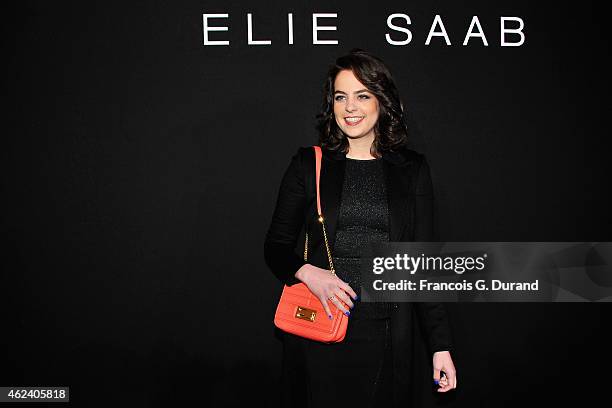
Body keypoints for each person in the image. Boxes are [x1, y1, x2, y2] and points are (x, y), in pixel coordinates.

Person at [264, 48, 457, 407]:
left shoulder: (412, 169)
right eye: (341, 97)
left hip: (385, 332)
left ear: (382, 101)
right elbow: (275, 247)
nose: (350, 107)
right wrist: (309, 273)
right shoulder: (309, 165)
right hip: (318, 329)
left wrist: (440, 345)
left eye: (362, 95)